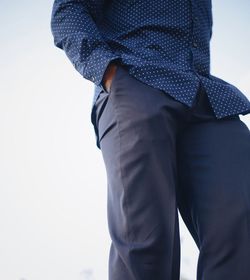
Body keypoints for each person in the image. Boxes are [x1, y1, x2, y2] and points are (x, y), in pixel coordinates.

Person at [50, 1, 250, 279]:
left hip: (206, 97)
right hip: (137, 80)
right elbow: (69, 9)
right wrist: (109, 73)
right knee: (147, 243)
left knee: (238, 230)